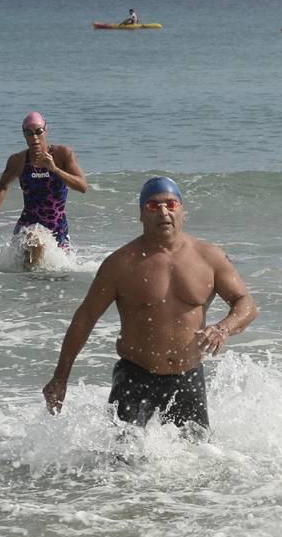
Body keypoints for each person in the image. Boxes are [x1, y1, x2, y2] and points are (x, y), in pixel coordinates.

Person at [43, 177, 257, 432]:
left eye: (171, 204)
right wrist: (61, 377)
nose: (164, 211)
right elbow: (86, 317)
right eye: (153, 206)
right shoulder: (120, 264)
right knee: (122, 463)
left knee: (198, 461)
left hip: (188, 377)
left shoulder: (210, 257)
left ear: (182, 211)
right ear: (141, 215)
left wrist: (223, 328)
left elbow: (246, 303)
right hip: (135, 378)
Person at [0, 112, 87, 266]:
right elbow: (3, 185)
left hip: (57, 226)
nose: (34, 137)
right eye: (28, 133)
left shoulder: (62, 154)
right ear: (24, 135)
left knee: (58, 275)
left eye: (38, 131)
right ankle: (26, 287)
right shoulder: (18, 160)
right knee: (34, 242)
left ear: (46, 130)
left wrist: (54, 169)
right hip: (28, 224)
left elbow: (82, 186)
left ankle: (31, 287)